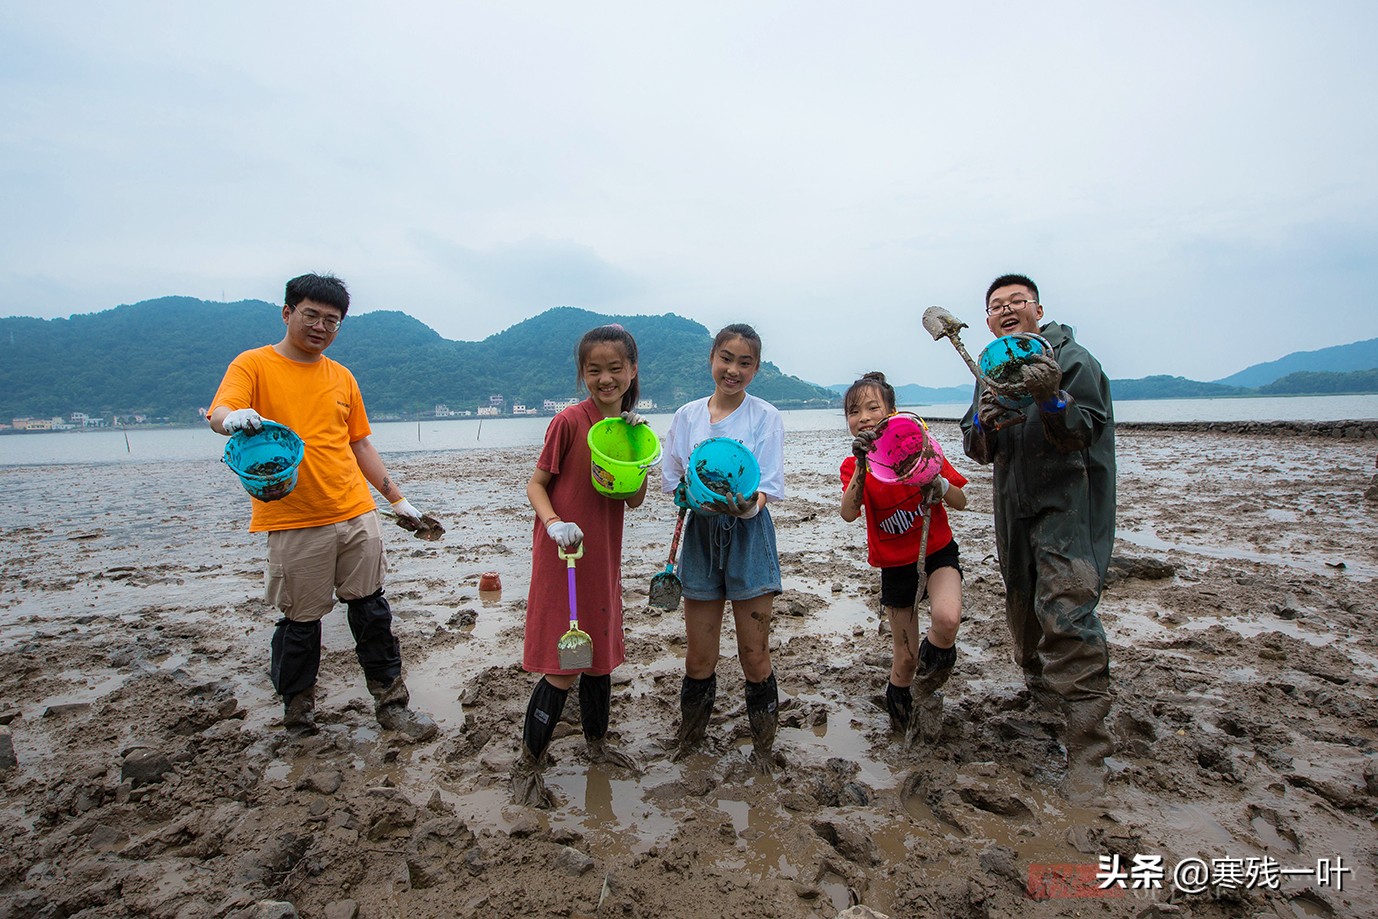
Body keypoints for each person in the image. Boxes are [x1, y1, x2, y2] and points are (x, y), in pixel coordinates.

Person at [208, 273, 437, 741]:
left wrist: (398, 499)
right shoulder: (253, 365)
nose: (320, 326)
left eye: (331, 320)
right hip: (293, 518)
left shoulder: (341, 376)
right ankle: (298, 716)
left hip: (355, 511)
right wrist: (233, 419)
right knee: (300, 623)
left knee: (372, 613)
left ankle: (392, 706)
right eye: (311, 315)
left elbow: (360, 445)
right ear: (287, 312)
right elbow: (219, 413)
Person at [959, 273, 1115, 800]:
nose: (1005, 310)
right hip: (1014, 508)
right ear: (986, 319)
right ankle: (1045, 699)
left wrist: (1051, 398)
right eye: (995, 306)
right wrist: (985, 424)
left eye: (1015, 302)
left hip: (1067, 506)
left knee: (1067, 612)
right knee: (1023, 610)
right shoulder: (991, 370)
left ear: (1037, 309)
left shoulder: (1074, 361)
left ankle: (1089, 751)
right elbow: (975, 447)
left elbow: (1085, 429)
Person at [513, 324, 648, 808]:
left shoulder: (630, 431)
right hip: (564, 556)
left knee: (600, 656)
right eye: (595, 370)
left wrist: (638, 453)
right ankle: (528, 765)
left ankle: (597, 745)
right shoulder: (569, 422)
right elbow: (536, 484)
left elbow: (633, 499)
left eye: (616, 369)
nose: (605, 379)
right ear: (582, 375)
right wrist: (553, 523)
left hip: (603, 558)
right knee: (563, 664)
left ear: (632, 372)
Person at [661, 323, 786, 771]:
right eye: (726, 359)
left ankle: (764, 749)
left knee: (754, 654)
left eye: (745, 362)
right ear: (711, 358)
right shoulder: (687, 416)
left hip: (749, 537)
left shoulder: (766, 416)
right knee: (700, 655)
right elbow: (672, 479)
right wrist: (688, 494)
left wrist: (747, 505)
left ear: (755, 368)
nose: (733, 370)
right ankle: (691, 743)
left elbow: (767, 484)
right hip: (699, 535)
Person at [838, 372, 969, 744]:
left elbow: (962, 499)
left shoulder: (921, 446)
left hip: (937, 551)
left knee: (946, 619)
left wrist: (938, 484)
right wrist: (862, 466)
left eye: (872, 408)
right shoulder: (855, 466)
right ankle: (901, 728)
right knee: (905, 658)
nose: (862, 417)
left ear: (892, 411)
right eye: (853, 411)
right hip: (896, 567)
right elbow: (848, 512)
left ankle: (930, 684)